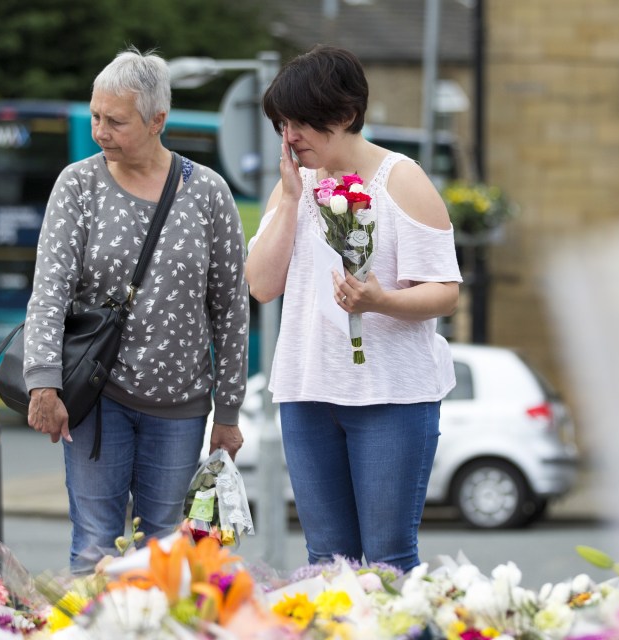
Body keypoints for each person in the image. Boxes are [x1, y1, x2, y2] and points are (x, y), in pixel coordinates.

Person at [23, 48, 249, 574]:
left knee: (164, 550)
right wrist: (43, 384)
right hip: (96, 398)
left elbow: (230, 309)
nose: (100, 130)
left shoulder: (209, 193)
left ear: (157, 121)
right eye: (96, 115)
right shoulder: (77, 185)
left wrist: (230, 411)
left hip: (181, 406)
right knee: (95, 545)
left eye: (115, 121)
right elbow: (49, 291)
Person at [245, 45, 462, 573]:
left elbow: (446, 290)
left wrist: (381, 300)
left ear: (343, 116)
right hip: (307, 391)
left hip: (392, 395)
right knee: (326, 562)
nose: (289, 137)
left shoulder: (402, 180)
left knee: (388, 560)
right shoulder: (293, 187)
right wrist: (293, 199)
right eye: (283, 124)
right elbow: (261, 285)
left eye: (301, 124)